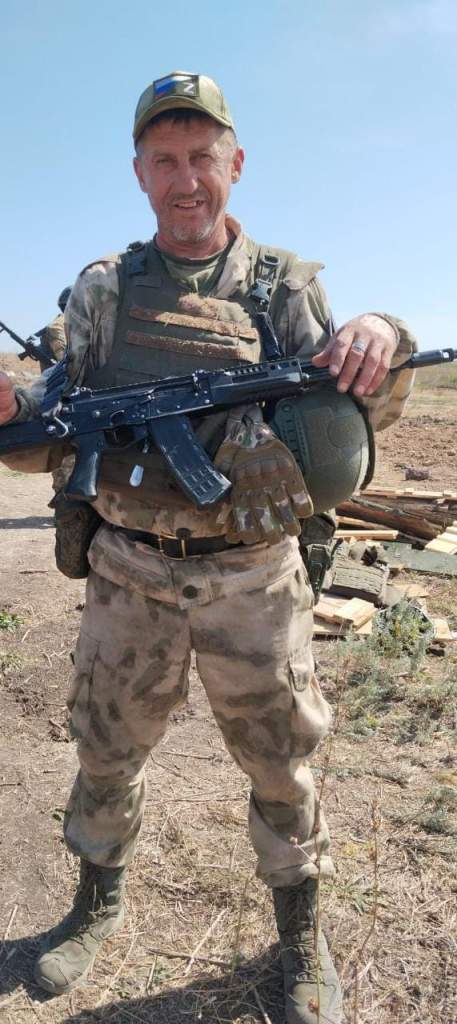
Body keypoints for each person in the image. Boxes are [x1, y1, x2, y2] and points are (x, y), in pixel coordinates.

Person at [0, 72, 417, 1024]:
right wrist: (16, 410)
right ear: (139, 173)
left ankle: (300, 937)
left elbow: (352, 417)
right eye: (165, 161)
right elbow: (43, 437)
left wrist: (383, 330)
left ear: (235, 163)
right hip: (128, 571)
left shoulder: (285, 288)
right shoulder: (103, 291)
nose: (185, 180)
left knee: (281, 759)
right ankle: (93, 907)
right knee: (105, 747)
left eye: (202, 158)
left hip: (252, 577)